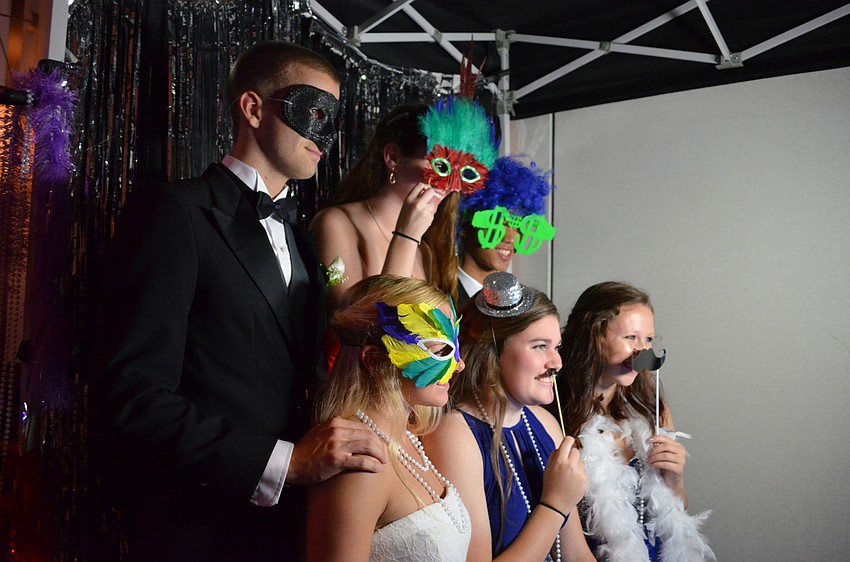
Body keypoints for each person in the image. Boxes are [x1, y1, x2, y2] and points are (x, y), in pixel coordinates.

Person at [89, 40, 388, 562]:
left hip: (291, 530)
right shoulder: (175, 214)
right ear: (253, 108)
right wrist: (284, 464)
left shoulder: (301, 237)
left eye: (332, 119)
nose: (325, 134)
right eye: (311, 111)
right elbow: (131, 396)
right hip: (199, 532)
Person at [424, 272, 595, 562]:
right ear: (493, 350)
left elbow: (577, 555)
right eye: (540, 346)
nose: (557, 363)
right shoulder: (455, 435)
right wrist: (554, 505)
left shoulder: (545, 422)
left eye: (557, 347)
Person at [307, 275, 470, 561]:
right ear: (373, 360)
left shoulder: (411, 440)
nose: (459, 364)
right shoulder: (358, 461)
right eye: (441, 350)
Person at [557, 282, 714, 561]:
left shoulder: (653, 409)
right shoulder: (555, 413)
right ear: (592, 335)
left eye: (649, 340)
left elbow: (673, 512)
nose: (642, 352)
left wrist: (675, 479)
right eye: (631, 337)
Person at [310, 105, 459, 310]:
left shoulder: (424, 249)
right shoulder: (335, 223)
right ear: (393, 157)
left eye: (456, 171)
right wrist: (406, 237)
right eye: (440, 166)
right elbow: (357, 326)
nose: (448, 183)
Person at [456, 157, 555, 307]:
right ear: (463, 225)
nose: (511, 238)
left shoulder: (520, 305)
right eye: (497, 222)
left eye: (519, 226)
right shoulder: (439, 298)